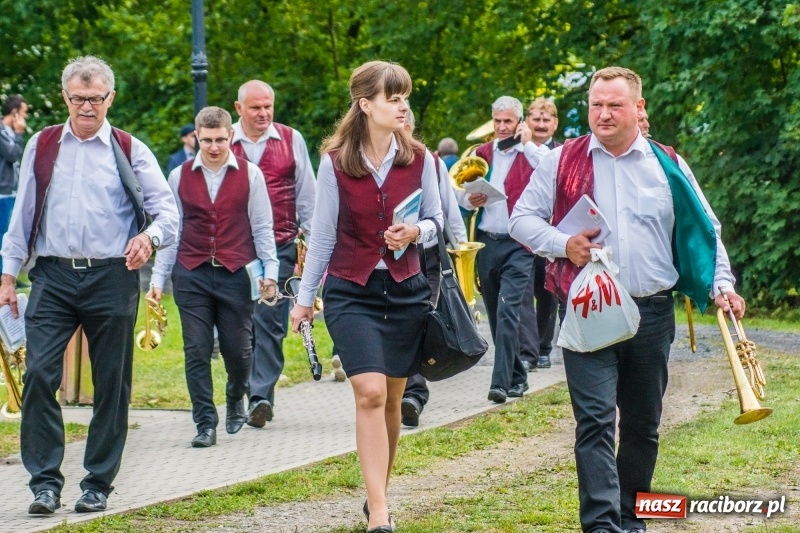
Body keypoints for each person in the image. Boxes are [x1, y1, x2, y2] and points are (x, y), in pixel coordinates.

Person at [509, 66, 746, 533]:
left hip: (652, 312)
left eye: (614, 105)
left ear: (639, 109)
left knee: (642, 425)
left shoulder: (668, 163)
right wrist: (563, 244)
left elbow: (705, 229)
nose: (603, 113)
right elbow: (521, 219)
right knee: (595, 421)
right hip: (587, 308)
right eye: (596, 104)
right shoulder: (562, 159)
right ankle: (601, 526)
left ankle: (630, 517)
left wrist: (722, 285)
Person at [0, 56, 179, 515]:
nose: (86, 106)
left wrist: (148, 238)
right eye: (78, 98)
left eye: (95, 98)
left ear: (109, 99)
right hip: (53, 276)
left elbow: (167, 212)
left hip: (111, 276)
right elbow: (21, 219)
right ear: (65, 97)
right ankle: (44, 482)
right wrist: (6, 277)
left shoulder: (129, 148)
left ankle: (97, 482)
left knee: (111, 383)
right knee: (40, 374)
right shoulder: (42, 146)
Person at [290, 60, 443, 533]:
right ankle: (380, 513)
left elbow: (440, 225)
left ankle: (378, 492)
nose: (402, 106)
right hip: (350, 291)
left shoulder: (421, 158)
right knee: (371, 393)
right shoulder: (335, 161)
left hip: (406, 290)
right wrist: (304, 297)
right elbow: (323, 236)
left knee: (393, 401)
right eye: (392, 98)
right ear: (365, 104)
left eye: (404, 97)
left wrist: (415, 231)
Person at [149, 106, 279, 448]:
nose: (214, 146)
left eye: (220, 139)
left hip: (236, 272)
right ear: (196, 137)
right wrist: (157, 281)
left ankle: (236, 394)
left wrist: (270, 272)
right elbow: (170, 231)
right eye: (206, 140)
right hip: (191, 273)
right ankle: (205, 422)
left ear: (230, 136)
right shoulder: (179, 176)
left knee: (239, 351)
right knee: (196, 349)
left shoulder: (250, 175)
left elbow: (263, 227)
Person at [230, 80, 316, 428]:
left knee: (270, 323)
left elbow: (307, 197)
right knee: (238, 325)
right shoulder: (224, 140)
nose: (264, 113)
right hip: (234, 250)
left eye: (268, 106)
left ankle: (261, 396)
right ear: (239, 110)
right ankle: (243, 392)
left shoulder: (291, 139)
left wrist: (314, 243)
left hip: (279, 248)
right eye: (255, 107)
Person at [456, 96, 548, 404]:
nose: (502, 126)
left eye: (508, 121)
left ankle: (499, 383)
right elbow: (457, 194)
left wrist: (528, 143)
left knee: (510, 311)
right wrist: (469, 200)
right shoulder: (481, 154)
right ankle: (518, 379)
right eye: (497, 121)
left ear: (519, 122)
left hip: (519, 245)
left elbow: (551, 170)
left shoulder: (533, 153)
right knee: (496, 314)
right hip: (487, 242)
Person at [400, 110, 468, 428]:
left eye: (406, 126)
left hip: (425, 259)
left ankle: (413, 394)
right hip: (388, 263)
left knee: (417, 323)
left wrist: (463, 248)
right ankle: (398, 391)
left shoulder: (430, 162)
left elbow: (447, 213)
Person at [518, 97, 561, 372]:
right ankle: (526, 350)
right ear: (527, 122)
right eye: (536, 119)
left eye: (547, 120)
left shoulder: (560, 153)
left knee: (548, 294)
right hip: (520, 236)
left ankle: (544, 347)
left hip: (550, 233)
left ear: (555, 124)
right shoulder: (516, 152)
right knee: (521, 296)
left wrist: (528, 146)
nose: (542, 124)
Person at [0, 95, 27, 278]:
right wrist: (19, 134)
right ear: (15, 112)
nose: (25, 118)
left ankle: (8, 275)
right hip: (2, 192)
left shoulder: (8, 132)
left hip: (11, 191)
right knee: (3, 235)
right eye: (24, 113)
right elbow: (12, 154)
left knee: (8, 235)